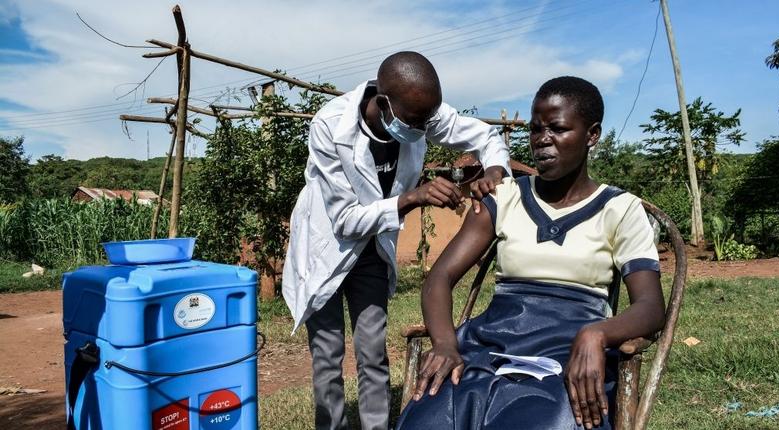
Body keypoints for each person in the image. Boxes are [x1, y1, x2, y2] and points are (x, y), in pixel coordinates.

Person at [396, 76, 666, 430]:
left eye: (557, 128)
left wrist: (597, 334)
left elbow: (651, 306)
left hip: (567, 354)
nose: (542, 140)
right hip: (490, 346)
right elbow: (439, 278)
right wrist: (446, 344)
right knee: (431, 415)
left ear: (592, 135)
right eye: (536, 129)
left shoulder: (620, 209)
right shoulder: (503, 197)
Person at [281, 51, 512, 430]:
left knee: (372, 351)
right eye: (415, 121)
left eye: (427, 120)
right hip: (326, 250)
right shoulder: (330, 126)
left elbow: (485, 135)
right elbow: (346, 219)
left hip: (371, 250)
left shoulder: (418, 114)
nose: (423, 129)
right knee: (327, 355)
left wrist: (494, 169)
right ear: (383, 103)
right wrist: (412, 197)